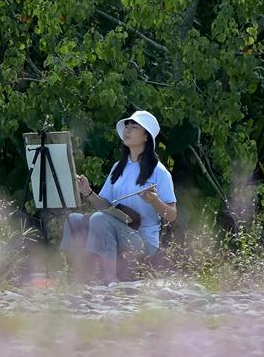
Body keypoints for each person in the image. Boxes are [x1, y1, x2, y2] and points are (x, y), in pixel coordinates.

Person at [60, 110, 177, 284]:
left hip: (143, 240)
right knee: (74, 219)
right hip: (117, 228)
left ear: (146, 137)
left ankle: (110, 280)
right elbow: (106, 207)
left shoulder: (159, 172)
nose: (127, 130)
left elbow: (172, 215)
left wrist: (155, 201)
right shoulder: (118, 167)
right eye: (126, 126)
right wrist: (88, 192)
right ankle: (79, 277)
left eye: (134, 127)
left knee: (100, 219)